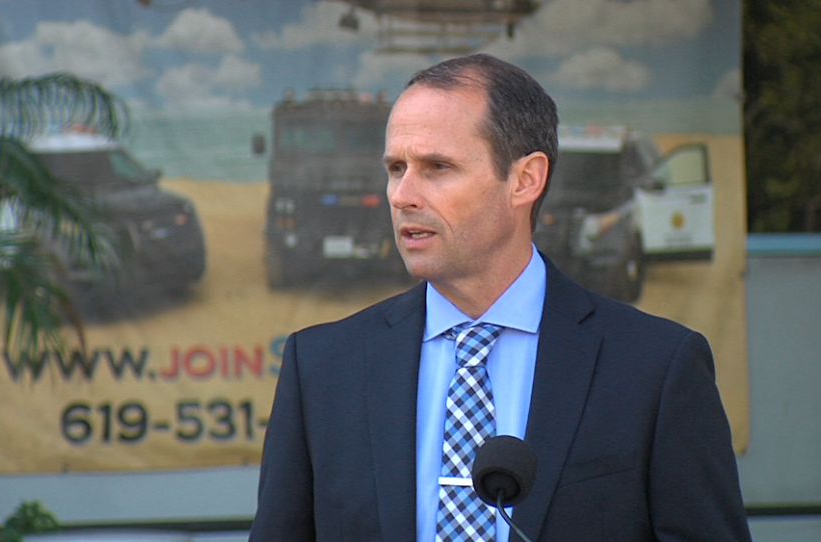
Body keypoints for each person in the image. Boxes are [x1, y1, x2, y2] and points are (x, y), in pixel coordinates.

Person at [248, 53, 752, 542]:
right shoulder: (321, 370)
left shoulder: (656, 369)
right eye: (396, 167)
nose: (402, 194)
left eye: (437, 167)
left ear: (525, 180)